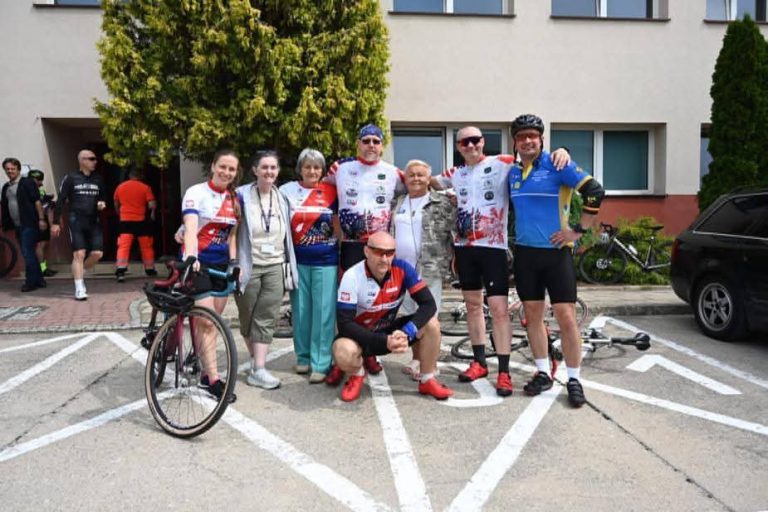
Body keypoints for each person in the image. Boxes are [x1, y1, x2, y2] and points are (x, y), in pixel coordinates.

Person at [431, 127, 570, 397]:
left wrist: (562, 152)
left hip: (493, 249)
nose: (471, 145)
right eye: (465, 142)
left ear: (483, 142)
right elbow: (428, 181)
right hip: (465, 249)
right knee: (473, 307)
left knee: (499, 311)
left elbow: (532, 157)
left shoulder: (503, 163)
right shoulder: (455, 173)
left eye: (475, 140)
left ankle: (504, 372)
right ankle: (480, 363)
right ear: (458, 147)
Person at [507, 114, 605, 408]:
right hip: (525, 254)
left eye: (532, 136)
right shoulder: (512, 172)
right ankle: (542, 372)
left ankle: (573, 379)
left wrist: (578, 230)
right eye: (521, 136)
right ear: (515, 142)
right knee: (533, 317)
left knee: (566, 317)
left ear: (541, 139)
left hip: (556, 255)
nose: (527, 141)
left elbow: (595, 191)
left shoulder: (557, 164)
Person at [324, 124, 405, 381]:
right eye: (366, 140)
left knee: (376, 303)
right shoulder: (340, 168)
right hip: (350, 245)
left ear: (382, 146)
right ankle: (342, 357)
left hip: (380, 247)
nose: (371, 145)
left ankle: (369, 351)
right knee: (349, 303)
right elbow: (323, 192)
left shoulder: (393, 173)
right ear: (358, 143)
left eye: (376, 141)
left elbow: (418, 185)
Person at [333, 232, 453, 402]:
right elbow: (345, 324)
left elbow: (428, 304)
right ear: (366, 251)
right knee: (342, 351)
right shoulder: (352, 276)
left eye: (389, 253)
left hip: (390, 331)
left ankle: (427, 379)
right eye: (378, 252)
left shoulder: (402, 269)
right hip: (361, 336)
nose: (384, 259)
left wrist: (407, 331)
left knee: (431, 323)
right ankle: (357, 374)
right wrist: (384, 341)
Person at [181, 149, 241, 402]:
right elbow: (190, 229)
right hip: (199, 264)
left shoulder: (235, 198)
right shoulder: (196, 192)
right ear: (213, 166)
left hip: (221, 266)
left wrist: (234, 262)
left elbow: (231, 236)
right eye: (222, 166)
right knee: (207, 321)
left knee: (211, 322)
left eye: (231, 169)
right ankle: (212, 379)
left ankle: (201, 360)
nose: (226, 172)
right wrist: (191, 256)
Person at [235, 150, 298, 390]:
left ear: (278, 171)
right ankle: (255, 362)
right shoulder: (240, 195)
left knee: (267, 315)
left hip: (275, 265)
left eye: (273, 167)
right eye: (265, 167)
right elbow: (219, 216)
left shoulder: (282, 198)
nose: (269, 172)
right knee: (248, 316)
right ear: (255, 170)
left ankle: (259, 368)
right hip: (248, 265)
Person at [389, 159, 455, 380]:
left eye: (420, 175)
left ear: (429, 179)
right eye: (411, 175)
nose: (416, 178)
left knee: (429, 319)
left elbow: (455, 232)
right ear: (405, 179)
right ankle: (417, 359)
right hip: (401, 270)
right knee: (410, 316)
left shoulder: (442, 203)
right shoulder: (397, 203)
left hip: (429, 268)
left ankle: (431, 365)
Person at [279, 148, 338, 383]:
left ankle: (321, 362)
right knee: (301, 311)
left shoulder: (332, 191)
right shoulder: (286, 191)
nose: (312, 171)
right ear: (300, 169)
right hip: (297, 261)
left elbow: (338, 224)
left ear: (322, 170)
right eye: (307, 167)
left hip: (326, 261)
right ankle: (303, 357)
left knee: (323, 312)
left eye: (316, 167)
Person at [51, 149, 107, 301]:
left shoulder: (98, 179)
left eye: (95, 159)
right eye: (91, 159)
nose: (95, 162)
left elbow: (103, 197)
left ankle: (80, 270)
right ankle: (79, 288)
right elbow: (61, 200)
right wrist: (55, 222)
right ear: (82, 160)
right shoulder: (71, 178)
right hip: (76, 219)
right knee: (79, 254)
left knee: (97, 254)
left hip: (93, 220)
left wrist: (102, 203)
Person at [2, 158, 46, 291]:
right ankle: (39, 280)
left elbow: (37, 201)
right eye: (7, 169)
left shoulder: (27, 183)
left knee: (27, 252)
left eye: (13, 168)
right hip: (17, 225)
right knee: (29, 252)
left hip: (29, 223)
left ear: (18, 169)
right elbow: (5, 207)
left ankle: (30, 282)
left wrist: (41, 219)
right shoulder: (6, 187)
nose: (10, 171)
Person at [113, 168, 157, 281]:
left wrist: (119, 213)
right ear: (140, 176)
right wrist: (152, 213)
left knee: (124, 246)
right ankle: (149, 269)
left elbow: (116, 203)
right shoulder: (145, 187)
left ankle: (121, 269)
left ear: (129, 176)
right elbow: (151, 205)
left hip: (125, 220)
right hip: (141, 220)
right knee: (146, 245)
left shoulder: (120, 187)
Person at [27, 170, 57, 277]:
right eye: (39, 180)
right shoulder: (28, 190)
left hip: (43, 219)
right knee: (40, 245)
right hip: (37, 220)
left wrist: (48, 201)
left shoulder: (40, 190)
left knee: (45, 244)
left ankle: (44, 267)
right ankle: (42, 269)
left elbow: (45, 205)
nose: (41, 183)